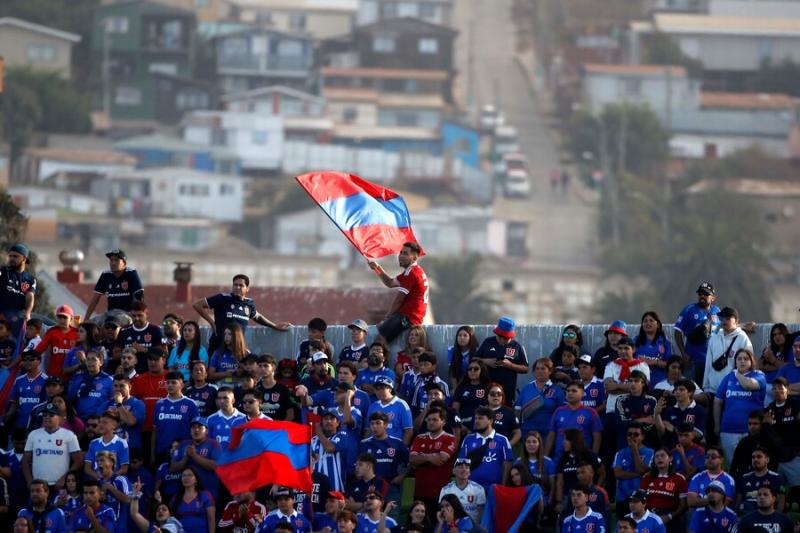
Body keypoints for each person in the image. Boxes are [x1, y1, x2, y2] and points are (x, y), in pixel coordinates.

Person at [192, 274, 290, 353]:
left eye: (241, 285)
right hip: (218, 346)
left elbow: (257, 316)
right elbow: (197, 305)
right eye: (235, 285)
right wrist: (212, 322)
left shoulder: (249, 303)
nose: (237, 287)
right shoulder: (223, 298)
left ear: (247, 289)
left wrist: (275, 326)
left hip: (237, 347)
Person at [367, 242, 428, 343]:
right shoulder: (413, 271)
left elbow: (399, 299)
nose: (401, 256)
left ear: (414, 258)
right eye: (401, 253)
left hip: (408, 318)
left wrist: (387, 318)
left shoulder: (411, 273)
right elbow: (390, 283)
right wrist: (377, 268)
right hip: (410, 317)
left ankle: (380, 358)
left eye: (405, 254)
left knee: (379, 340)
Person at [713, 348, 766, 461]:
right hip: (729, 430)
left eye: (745, 359)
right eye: (739, 359)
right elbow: (717, 401)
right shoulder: (727, 378)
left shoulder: (758, 375)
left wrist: (737, 374)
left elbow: (748, 385)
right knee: (732, 465)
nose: (742, 361)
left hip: (751, 431)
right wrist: (717, 425)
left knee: (752, 464)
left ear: (751, 361)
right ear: (735, 361)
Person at [410, 406, 458, 516]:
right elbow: (412, 459)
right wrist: (431, 457)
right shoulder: (419, 438)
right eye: (429, 419)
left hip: (440, 492)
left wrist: (422, 456)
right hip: (420, 491)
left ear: (443, 422)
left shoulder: (449, 438)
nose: (431, 422)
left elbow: (441, 459)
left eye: (435, 420)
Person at [22, 402, 82, 489]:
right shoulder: (33, 435)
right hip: (38, 486)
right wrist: (29, 481)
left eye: (51, 415)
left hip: (59, 485)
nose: (47, 417)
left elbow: (78, 461)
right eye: (45, 415)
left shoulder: (69, 435)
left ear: (60, 418)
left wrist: (64, 478)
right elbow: (25, 461)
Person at [703, 307, 753, 407]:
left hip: (734, 391)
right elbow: (708, 364)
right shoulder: (714, 338)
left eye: (728, 318)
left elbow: (749, 366)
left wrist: (745, 387)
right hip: (714, 390)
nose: (724, 320)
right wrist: (706, 388)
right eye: (722, 318)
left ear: (736, 320)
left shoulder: (743, 338)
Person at [674, 282, 720, 385]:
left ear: (713, 297)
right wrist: (683, 353)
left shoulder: (717, 311)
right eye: (700, 294)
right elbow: (677, 332)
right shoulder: (689, 309)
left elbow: (726, 326)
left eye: (706, 294)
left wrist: (743, 326)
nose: (702, 296)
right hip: (692, 361)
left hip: (711, 362)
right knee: (689, 390)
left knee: (709, 391)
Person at [475, 317, 528, 404]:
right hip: (486, 388)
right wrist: (486, 361)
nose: (502, 340)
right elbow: (474, 359)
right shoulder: (488, 342)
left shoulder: (517, 346)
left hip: (507, 391)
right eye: (500, 337)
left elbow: (525, 368)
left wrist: (510, 365)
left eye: (506, 338)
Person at [545, 380, 602, 461]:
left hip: (582, 459)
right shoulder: (558, 411)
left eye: (574, 391)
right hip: (559, 458)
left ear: (582, 393)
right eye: (568, 391)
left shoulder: (590, 412)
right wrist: (545, 456)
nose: (570, 393)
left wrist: (594, 457)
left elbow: (597, 437)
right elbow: (551, 435)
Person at [458, 406, 512, 490]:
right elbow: (461, 463)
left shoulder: (502, 440)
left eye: (480, 418)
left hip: (494, 488)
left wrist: (503, 486)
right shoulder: (468, 439)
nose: (476, 421)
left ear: (490, 421)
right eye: (476, 418)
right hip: (471, 488)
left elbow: (507, 464)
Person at [153, 371, 199, 464]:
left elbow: (196, 430)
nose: (170, 385)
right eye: (168, 382)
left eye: (174, 382)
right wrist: (152, 453)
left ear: (181, 384)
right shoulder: (159, 404)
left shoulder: (191, 404)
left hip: (183, 451)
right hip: (162, 451)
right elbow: (155, 430)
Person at [84, 249, 144, 320]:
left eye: (116, 260)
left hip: (127, 314)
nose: (113, 263)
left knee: (116, 321)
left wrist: (137, 317)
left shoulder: (131, 273)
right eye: (111, 260)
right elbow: (95, 299)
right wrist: (86, 319)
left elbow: (140, 297)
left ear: (124, 264)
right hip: (110, 314)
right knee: (91, 325)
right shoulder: (106, 275)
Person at [639, 447, 688, 533]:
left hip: (671, 518)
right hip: (649, 516)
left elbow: (683, 506)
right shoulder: (647, 478)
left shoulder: (679, 478)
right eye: (656, 456)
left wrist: (668, 517)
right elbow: (639, 501)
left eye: (662, 455)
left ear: (670, 458)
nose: (659, 458)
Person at [171, 417, 222, 499]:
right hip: (187, 494)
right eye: (193, 427)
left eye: (200, 427)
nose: (196, 430)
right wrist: (186, 458)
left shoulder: (214, 444)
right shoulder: (183, 444)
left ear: (207, 431)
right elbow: (172, 468)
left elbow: (216, 466)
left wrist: (194, 456)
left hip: (209, 492)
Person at [612, 422, 654, 518]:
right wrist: (638, 475)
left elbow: (641, 470)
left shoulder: (650, 452)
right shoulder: (620, 453)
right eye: (629, 434)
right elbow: (618, 474)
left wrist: (634, 450)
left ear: (642, 436)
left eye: (636, 434)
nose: (632, 437)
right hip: (622, 498)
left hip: (641, 498)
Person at [764, 377, 800, 489]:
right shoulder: (768, 410)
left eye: (781, 388)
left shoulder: (796, 406)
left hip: (794, 458)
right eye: (774, 389)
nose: (777, 391)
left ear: (788, 390)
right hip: (775, 460)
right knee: (775, 491)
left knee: (797, 492)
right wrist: (767, 424)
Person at [516, 357, 564, 438]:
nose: (539, 371)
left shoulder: (557, 390)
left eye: (543, 368)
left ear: (550, 371)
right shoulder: (526, 388)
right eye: (537, 369)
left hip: (548, 434)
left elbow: (561, 414)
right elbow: (517, 411)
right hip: (528, 433)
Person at [312, 410, 357, 492]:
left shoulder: (342, 435)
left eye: (332, 419)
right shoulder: (313, 440)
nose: (328, 421)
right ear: (321, 422)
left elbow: (330, 448)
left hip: (335, 488)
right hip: (316, 488)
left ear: (338, 423)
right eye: (325, 419)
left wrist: (319, 432)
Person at [654, 377, 706, 448]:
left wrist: (675, 429)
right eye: (675, 390)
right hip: (671, 448)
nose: (677, 392)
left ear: (690, 393)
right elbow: (662, 432)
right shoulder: (669, 410)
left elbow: (698, 434)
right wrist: (657, 414)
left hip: (691, 450)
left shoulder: (699, 409)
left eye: (681, 389)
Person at [115, 302, 165, 373]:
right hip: (128, 374)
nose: (137, 318)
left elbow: (163, 353)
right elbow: (115, 354)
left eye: (140, 315)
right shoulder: (124, 331)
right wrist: (127, 351)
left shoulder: (155, 330)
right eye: (134, 316)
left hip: (148, 373)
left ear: (146, 314)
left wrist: (144, 350)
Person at [5, 350, 47, 430]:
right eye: (25, 360)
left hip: (37, 425)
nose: (27, 362)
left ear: (39, 361)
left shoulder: (46, 380)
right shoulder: (19, 380)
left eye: (31, 359)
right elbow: (15, 402)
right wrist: (8, 415)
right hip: (20, 424)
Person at [0, 244, 36, 338]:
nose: (11, 258)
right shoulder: (4, 271)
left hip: (19, 314)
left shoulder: (30, 279)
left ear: (24, 258)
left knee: (39, 323)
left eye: (15, 256)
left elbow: (30, 297)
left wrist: (28, 312)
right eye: (10, 256)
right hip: (3, 313)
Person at [67, 350, 115, 420]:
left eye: (93, 359)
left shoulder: (109, 380)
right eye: (88, 359)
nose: (90, 362)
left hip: (99, 421)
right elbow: (69, 399)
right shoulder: (78, 378)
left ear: (101, 362)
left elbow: (113, 402)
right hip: (79, 421)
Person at [736, 445, 784, 514]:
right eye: (753, 457)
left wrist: (776, 518)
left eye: (759, 457)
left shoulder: (776, 478)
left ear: (767, 460)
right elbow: (738, 501)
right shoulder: (744, 478)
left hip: (767, 516)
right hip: (746, 515)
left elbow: (781, 501)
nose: (755, 459)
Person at [34, 305, 78, 380]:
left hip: (71, 376)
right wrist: (30, 358)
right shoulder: (52, 332)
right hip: (54, 375)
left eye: (64, 318)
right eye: (59, 317)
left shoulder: (77, 333)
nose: (62, 320)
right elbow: (40, 348)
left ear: (71, 318)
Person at [365, 376, 413, 445]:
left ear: (390, 389)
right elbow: (368, 430)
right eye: (376, 389)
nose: (379, 391)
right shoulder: (373, 406)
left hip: (394, 448)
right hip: (375, 447)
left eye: (382, 388)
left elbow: (408, 431)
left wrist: (402, 449)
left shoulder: (402, 405)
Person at [615, 370, 657, 448]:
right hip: (625, 442)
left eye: (636, 381)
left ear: (643, 384)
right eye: (630, 381)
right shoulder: (621, 400)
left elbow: (651, 423)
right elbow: (620, 423)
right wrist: (642, 420)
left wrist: (631, 422)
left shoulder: (652, 401)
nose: (632, 384)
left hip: (646, 443)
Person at [84, 410, 130, 479]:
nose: (100, 425)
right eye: (100, 422)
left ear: (114, 426)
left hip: (114, 484)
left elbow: (124, 469)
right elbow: (87, 468)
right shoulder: (93, 443)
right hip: (97, 484)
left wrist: (110, 479)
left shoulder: (122, 443)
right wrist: (100, 479)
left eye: (105, 422)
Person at [439, 457, 486, 524]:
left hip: (472, 528)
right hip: (452, 525)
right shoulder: (446, 490)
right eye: (460, 467)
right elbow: (442, 513)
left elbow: (481, 514)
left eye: (467, 467)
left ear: (469, 472)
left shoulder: (479, 489)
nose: (464, 470)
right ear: (453, 471)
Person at [95, 451, 131, 533]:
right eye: (97, 461)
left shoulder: (121, 479)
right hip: (102, 526)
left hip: (119, 526)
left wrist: (111, 488)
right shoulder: (97, 483)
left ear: (111, 462)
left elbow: (128, 500)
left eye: (102, 460)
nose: (99, 463)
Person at [170, 467, 215, 533]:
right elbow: (170, 518)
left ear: (196, 480)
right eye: (184, 475)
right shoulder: (176, 497)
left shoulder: (205, 495)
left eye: (189, 475)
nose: (186, 478)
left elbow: (211, 519)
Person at [635, 311, 673, 387]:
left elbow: (671, 365)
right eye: (645, 321)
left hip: (660, 383)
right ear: (642, 325)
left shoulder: (665, 342)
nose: (648, 323)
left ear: (658, 324)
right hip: (639, 385)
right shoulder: (635, 341)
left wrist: (654, 362)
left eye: (651, 321)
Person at [516, 431, 556, 503]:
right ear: (524, 444)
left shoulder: (548, 462)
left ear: (539, 444)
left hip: (543, 502)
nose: (531, 444)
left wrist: (549, 504)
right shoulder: (518, 462)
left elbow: (552, 487)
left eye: (534, 442)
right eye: (528, 442)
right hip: (523, 502)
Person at [451, 359, 489, 431]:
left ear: (482, 370)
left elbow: (490, 409)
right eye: (469, 369)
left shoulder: (487, 388)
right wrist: (459, 425)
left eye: (476, 369)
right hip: (462, 426)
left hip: (481, 426)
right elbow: (455, 410)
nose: (472, 371)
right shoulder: (461, 387)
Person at [254, 354, 294, 420]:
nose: (262, 368)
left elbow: (290, 414)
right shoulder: (255, 389)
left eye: (265, 366)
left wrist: (281, 428)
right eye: (260, 366)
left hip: (277, 428)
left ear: (273, 367)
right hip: (260, 428)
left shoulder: (283, 389)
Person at [447, 325, 479, 390]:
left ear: (471, 337)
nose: (462, 338)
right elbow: (453, 371)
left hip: (473, 383)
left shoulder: (476, 351)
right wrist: (455, 388)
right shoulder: (451, 350)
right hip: (458, 384)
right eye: (459, 335)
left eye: (465, 335)